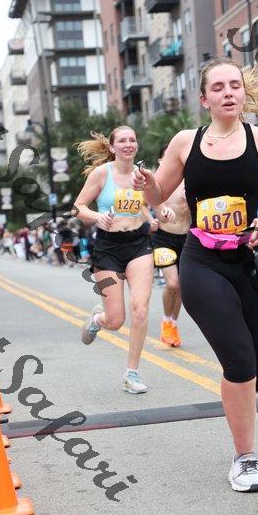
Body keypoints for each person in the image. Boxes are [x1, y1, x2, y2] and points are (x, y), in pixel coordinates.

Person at [131, 57, 258, 493]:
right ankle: (245, 459)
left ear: (244, 92)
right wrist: (146, 183)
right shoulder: (187, 142)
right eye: (217, 87)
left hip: (252, 261)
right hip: (203, 261)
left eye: (234, 85)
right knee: (239, 362)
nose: (228, 92)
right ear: (204, 99)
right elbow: (159, 194)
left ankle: (243, 421)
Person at [74, 126, 156, 394]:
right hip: (108, 248)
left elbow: (146, 203)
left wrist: (161, 212)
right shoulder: (102, 174)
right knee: (116, 320)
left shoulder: (141, 175)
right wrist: (98, 217)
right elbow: (77, 207)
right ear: (112, 147)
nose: (128, 144)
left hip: (139, 244)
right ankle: (98, 320)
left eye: (132, 139)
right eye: (122, 140)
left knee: (140, 309)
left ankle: (132, 373)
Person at [152, 145, 191, 347]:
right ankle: (166, 321)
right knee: (173, 284)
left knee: (182, 287)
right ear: (161, 160)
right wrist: (153, 218)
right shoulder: (159, 182)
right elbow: (145, 203)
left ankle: (173, 325)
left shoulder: (190, 180)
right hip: (163, 239)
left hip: (186, 240)